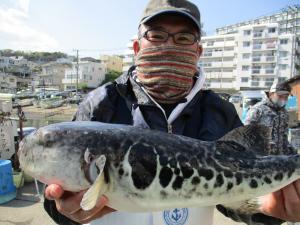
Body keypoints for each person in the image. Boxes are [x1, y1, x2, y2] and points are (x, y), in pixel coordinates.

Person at [44, 1, 300, 225]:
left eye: (184, 38)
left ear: (197, 52)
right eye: (156, 35)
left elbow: (232, 191)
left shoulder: (219, 111)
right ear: (137, 47)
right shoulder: (100, 104)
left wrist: (269, 210)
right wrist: (65, 212)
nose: (169, 45)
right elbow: (57, 192)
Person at [244, 82, 295, 155]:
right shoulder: (258, 109)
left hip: (279, 157)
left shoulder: (284, 113)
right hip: (261, 157)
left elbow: (284, 136)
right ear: (271, 94)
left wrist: (290, 151)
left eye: (286, 96)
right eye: (280, 96)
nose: (283, 99)